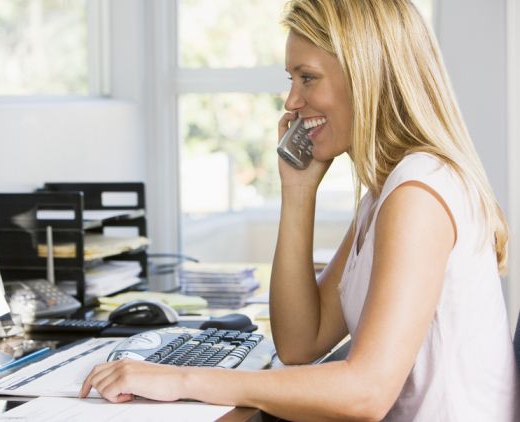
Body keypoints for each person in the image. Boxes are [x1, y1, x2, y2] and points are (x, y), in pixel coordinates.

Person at [80, 0, 519, 419]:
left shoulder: (419, 192)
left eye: (307, 78)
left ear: (366, 76)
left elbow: (367, 392)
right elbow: (300, 342)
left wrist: (183, 379)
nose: (291, 101)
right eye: (292, 79)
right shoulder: (386, 193)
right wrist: (298, 191)